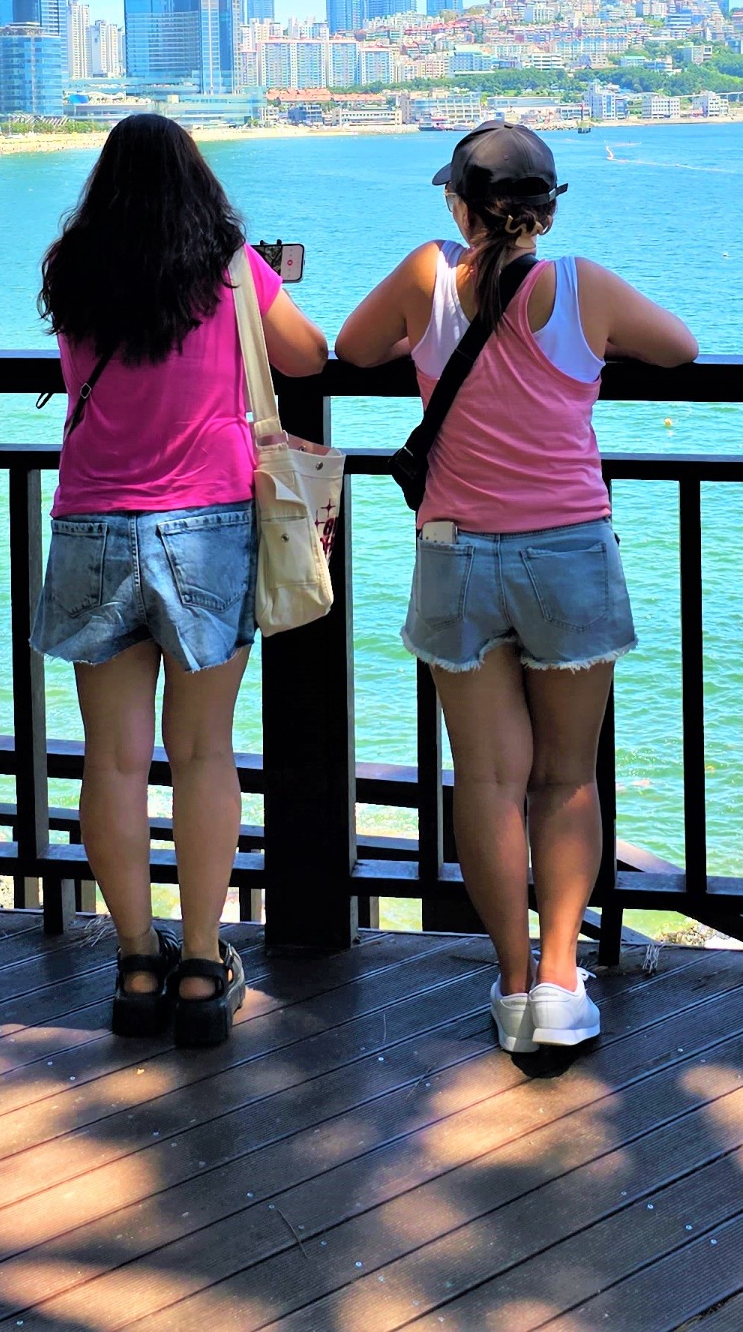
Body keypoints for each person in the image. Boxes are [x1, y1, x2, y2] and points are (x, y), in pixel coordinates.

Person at [339, 122, 698, 1056]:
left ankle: (507, 983)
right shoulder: (582, 287)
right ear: (545, 209)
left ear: (460, 205)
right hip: (567, 550)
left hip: (456, 552)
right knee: (566, 776)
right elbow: (682, 347)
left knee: (491, 780)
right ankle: (560, 978)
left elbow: (353, 344)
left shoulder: (429, 277)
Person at [38, 114, 327, 1046]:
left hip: (92, 522)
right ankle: (203, 965)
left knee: (112, 759)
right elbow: (307, 355)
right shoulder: (235, 267)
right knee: (203, 753)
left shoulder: (73, 268)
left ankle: (133, 962)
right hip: (206, 526)